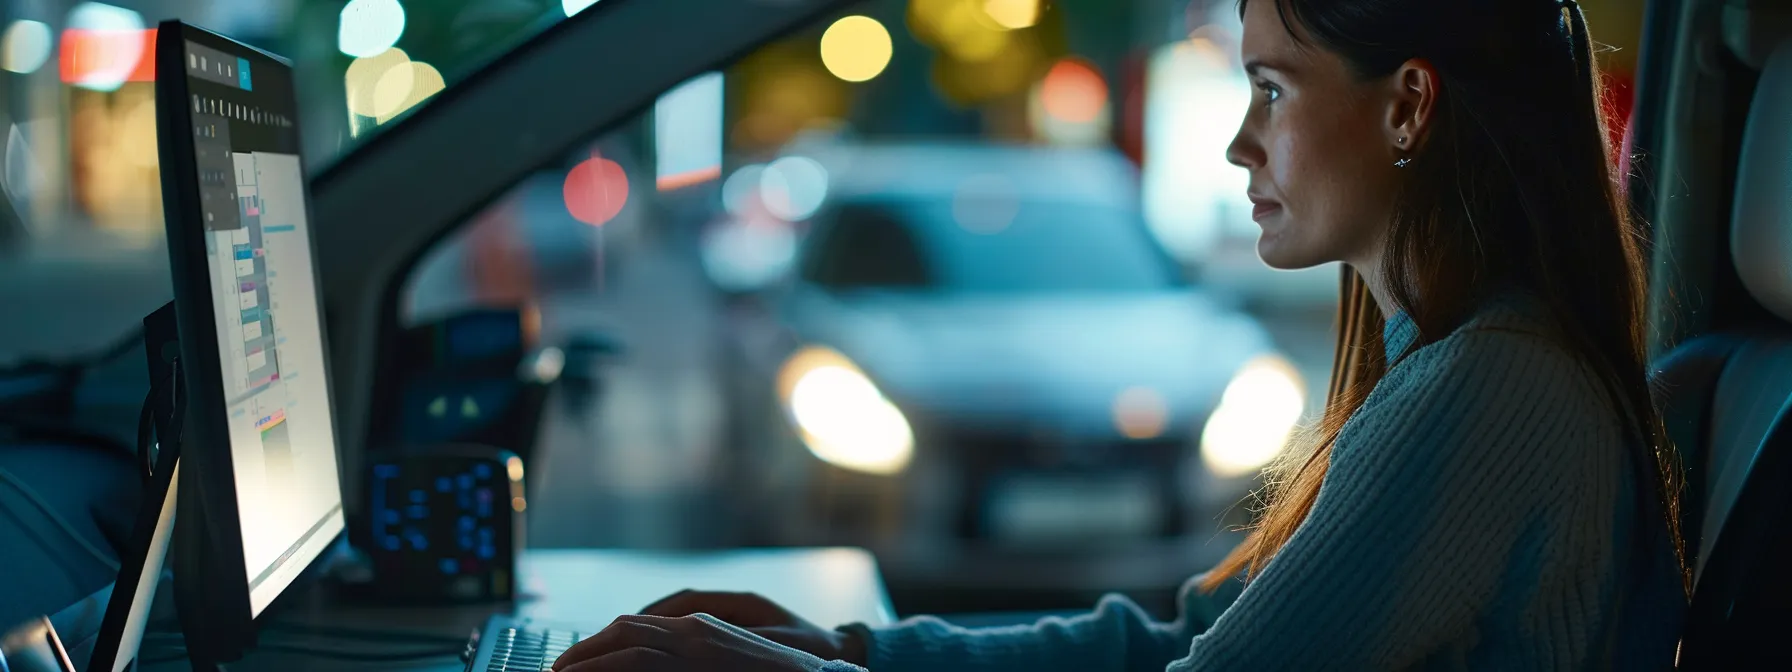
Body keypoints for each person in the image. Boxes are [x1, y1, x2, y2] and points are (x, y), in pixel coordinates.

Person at [548, 0, 1689, 669]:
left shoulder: (1492, 388)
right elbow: (1181, 638)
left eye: (1274, 91)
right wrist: (852, 648)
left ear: (1405, 106)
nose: (1241, 144)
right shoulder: (1457, 364)